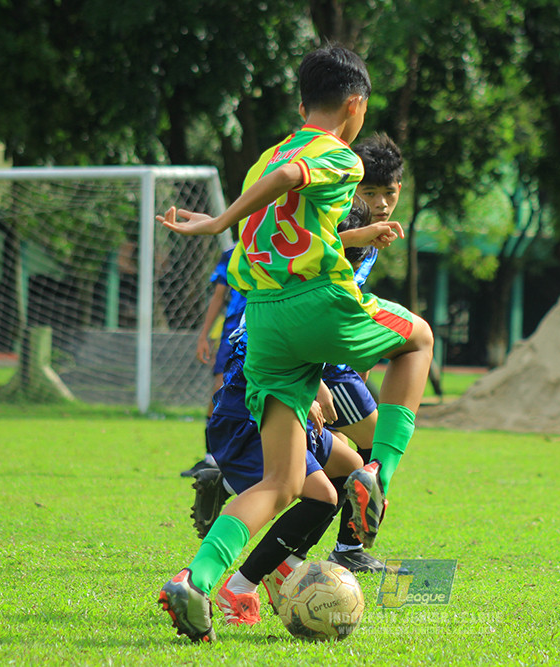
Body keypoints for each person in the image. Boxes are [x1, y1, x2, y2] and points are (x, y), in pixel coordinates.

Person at [156, 44, 433, 643]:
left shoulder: (266, 156)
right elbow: (294, 179)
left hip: (265, 322)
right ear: (354, 106)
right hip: (317, 305)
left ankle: (199, 581)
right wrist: (215, 222)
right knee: (418, 341)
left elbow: (300, 220)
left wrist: (361, 231)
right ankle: (377, 475)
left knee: (279, 485)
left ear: (303, 102)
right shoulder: (337, 155)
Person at [188, 318, 361, 627]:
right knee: (319, 496)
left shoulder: (326, 278)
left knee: (352, 469)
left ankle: (284, 567)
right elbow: (264, 342)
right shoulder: (290, 284)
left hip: (291, 399)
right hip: (254, 409)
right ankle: (239, 586)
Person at [324, 133, 405, 573]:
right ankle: (348, 551)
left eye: (388, 193)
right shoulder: (342, 226)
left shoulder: (370, 233)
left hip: (325, 358)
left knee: (341, 459)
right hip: (322, 360)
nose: (381, 203)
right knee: (378, 452)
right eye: (369, 192)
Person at [181, 247, 246, 478]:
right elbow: (218, 296)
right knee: (219, 389)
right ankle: (211, 458)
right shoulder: (231, 254)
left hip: (264, 330)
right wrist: (204, 335)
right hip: (232, 334)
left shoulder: (279, 246)